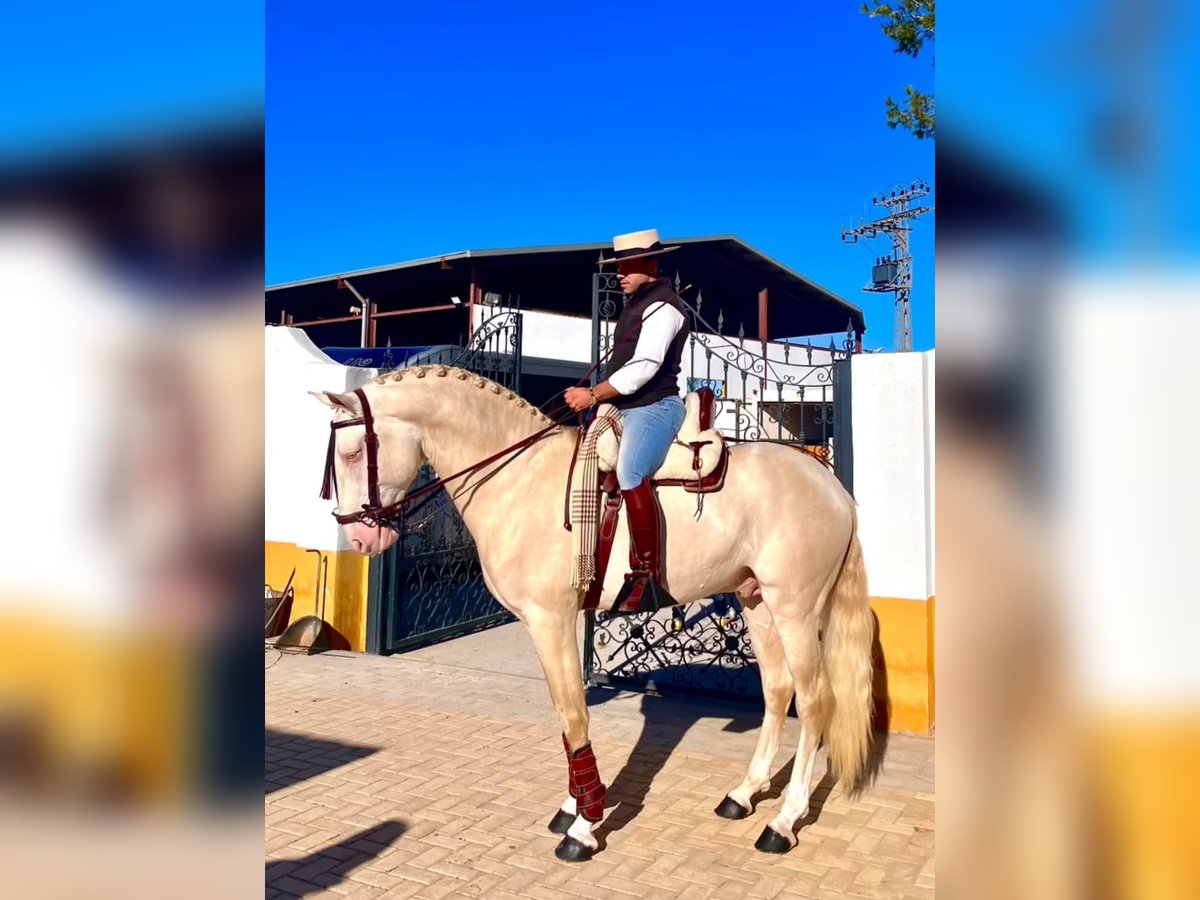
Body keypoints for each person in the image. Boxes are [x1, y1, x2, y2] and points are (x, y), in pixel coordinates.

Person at [564, 229, 690, 613]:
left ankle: (648, 575)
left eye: (628, 266)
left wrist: (594, 394)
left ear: (651, 265)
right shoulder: (637, 306)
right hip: (626, 406)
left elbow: (645, 367)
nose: (619, 273)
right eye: (617, 266)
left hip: (656, 406)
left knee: (631, 470)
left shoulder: (665, 309)